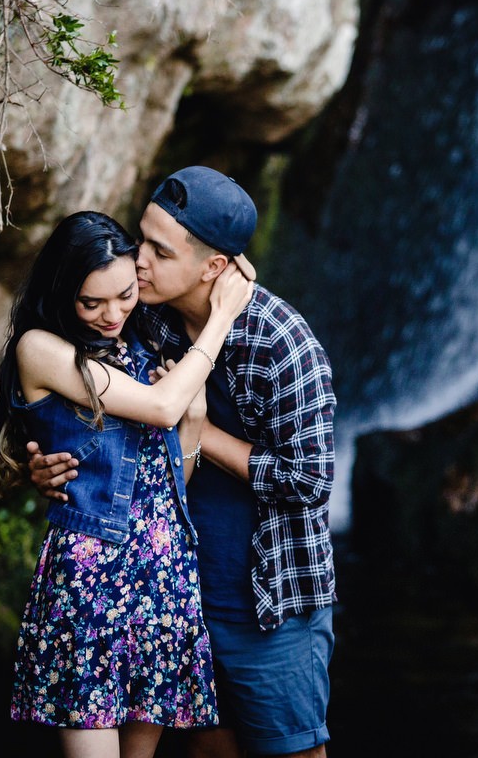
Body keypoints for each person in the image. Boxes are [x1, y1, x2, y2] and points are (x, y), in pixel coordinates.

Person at [28, 167, 337, 758]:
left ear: (213, 267)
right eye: (141, 237)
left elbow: (310, 480)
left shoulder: (282, 342)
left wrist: (200, 429)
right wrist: (37, 466)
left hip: (266, 599)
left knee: (293, 750)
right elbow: (82, 420)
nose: (137, 261)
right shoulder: (142, 321)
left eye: (159, 251)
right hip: (171, 591)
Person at [0, 210, 254, 758]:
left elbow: (168, 484)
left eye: (125, 295)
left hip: (164, 575)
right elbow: (159, 407)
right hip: (91, 579)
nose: (113, 314)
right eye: (93, 303)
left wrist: (197, 419)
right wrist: (222, 318)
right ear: (64, 293)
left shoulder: (140, 344)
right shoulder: (40, 348)